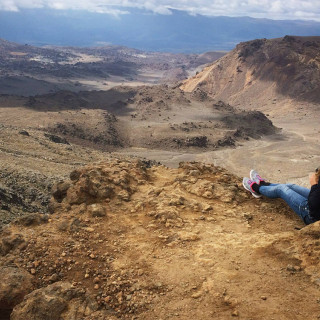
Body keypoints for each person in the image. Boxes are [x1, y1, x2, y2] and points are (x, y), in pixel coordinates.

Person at [242, 169, 320, 225]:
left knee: (281, 189)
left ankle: (256, 189)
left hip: (312, 215)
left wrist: (314, 185)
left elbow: (313, 204)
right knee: (291, 186)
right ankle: (264, 185)